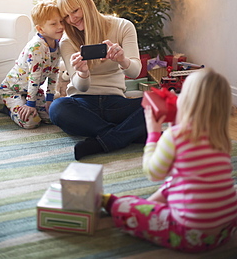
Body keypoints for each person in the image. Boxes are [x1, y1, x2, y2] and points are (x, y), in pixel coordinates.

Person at [101, 68, 237, 253]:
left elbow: (153, 172)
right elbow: (185, 163)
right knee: (179, 180)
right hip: (225, 230)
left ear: (187, 101)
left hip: (192, 234)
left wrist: (153, 133)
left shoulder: (175, 135)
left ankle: (115, 205)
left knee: (124, 207)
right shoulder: (220, 138)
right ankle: (153, 204)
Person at [49, 0, 147, 160]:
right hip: (82, 104)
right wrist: (83, 73)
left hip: (116, 102)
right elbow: (81, 87)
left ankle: (105, 140)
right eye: (66, 16)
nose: (72, 19)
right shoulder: (67, 41)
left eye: (75, 11)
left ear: (87, 4)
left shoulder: (123, 26)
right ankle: (123, 135)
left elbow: (135, 71)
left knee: (157, 103)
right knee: (57, 107)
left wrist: (122, 60)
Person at [0, 0, 64, 129]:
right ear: (40, 29)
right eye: (53, 24)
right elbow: (34, 78)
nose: (60, 26)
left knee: (52, 117)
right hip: (12, 90)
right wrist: (30, 104)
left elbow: (54, 73)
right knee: (31, 122)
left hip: (33, 90)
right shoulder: (37, 47)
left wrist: (50, 100)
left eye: (61, 21)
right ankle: (9, 109)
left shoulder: (57, 44)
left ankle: (28, 103)